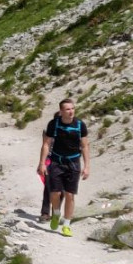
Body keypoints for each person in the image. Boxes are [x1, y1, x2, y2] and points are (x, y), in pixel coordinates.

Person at [37, 98, 90, 237]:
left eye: (72, 108)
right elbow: (46, 144)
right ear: (61, 111)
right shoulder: (53, 124)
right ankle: (56, 213)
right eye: (67, 109)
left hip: (73, 163)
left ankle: (66, 225)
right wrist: (42, 163)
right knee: (54, 193)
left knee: (70, 195)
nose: (71, 111)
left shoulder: (80, 125)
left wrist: (87, 166)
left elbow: (84, 146)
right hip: (56, 161)